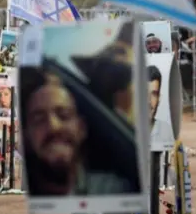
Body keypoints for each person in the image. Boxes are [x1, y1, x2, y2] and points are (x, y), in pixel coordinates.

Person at [19, 67, 132, 196]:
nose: (53, 126)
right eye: (39, 120)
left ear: (81, 128)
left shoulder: (112, 190)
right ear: (26, 137)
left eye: (64, 115)